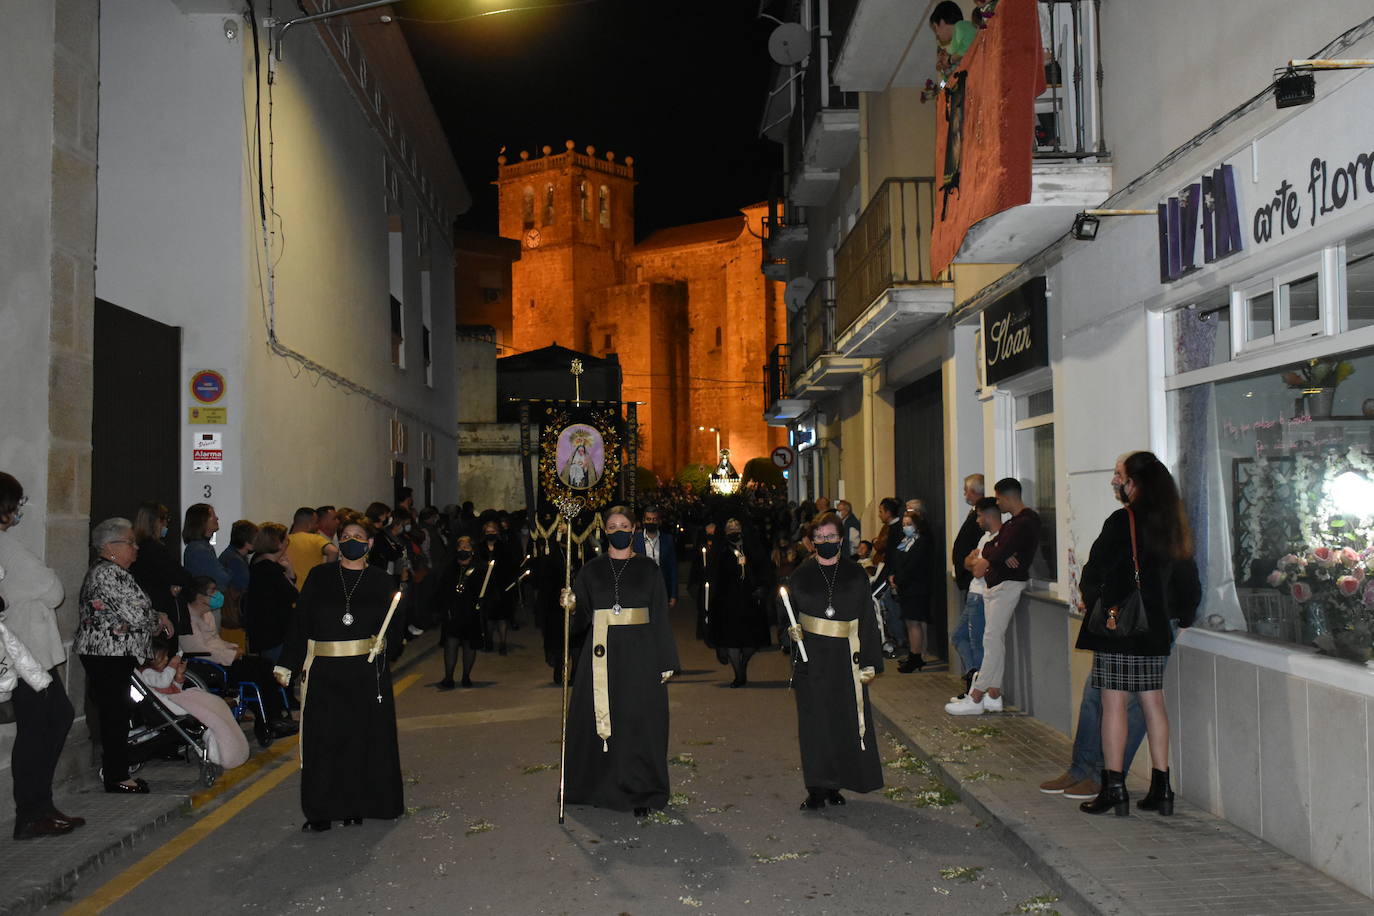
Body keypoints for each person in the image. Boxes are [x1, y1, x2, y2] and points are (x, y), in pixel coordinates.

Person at [1076, 453, 1200, 817]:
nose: (1117, 482)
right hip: (1157, 628)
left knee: (1113, 705)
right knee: (1153, 703)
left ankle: (1114, 788)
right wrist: (1183, 616)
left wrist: (1096, 604)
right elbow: (1188, 581)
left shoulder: (1122, 520)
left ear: (1135, 483)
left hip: (1122, 627)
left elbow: (1095, 572)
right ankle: (1162, 788)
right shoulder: (1173, 522)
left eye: (1121, 476)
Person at [275, 512, 406, 831]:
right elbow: (301, 621)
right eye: (345, 536)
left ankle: (356, 805)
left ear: (370, 543)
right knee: (324, 740)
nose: (351, 541)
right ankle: (321, 810)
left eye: (358, 537)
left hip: (365, 673)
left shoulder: (381, 580)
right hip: (325, 673)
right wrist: (288, 663)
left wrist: (386, 644)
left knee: (360, 740)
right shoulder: (320, 577)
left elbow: (395, 623)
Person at [563, 505, 679, 817]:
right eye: (612, 526)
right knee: (602, 718)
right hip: (600, 654)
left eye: (624, 526)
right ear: (605, 531)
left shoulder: (648, 569)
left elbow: (660, 615)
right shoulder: (590, 571)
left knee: (637, 721)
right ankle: (598, 786)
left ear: (634, 529)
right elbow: (580, 621)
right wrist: (570, 607)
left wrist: (666, 659)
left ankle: (641, 790)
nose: (618, 531)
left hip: (640, 654)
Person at [0, 472, 83, 838]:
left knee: (53, 718)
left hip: (27, 654)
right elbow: (53, 590)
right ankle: (31, 812)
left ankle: (39, 806)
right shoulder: (7, 547)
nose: (19, 511)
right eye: (16, 503)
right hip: (25, 655)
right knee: (38, 728)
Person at [785, 512, 883, 810]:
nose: (825, 541)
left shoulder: (855, 574)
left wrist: (870, 662)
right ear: (811, 541)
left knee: (843, 722)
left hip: (846, 659)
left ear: (840, 539)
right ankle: (816, 787)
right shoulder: (801, 575)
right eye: (819, 537)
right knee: (815, 725)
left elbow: (867, 619)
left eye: (830, 536)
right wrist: (791, 633)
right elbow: (788, 611)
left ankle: (835, 784)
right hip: (812, 658)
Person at [76, 517, 175, 794]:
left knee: (118, 713)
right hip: (108, 654)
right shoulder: (109, 573)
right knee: (115, 715)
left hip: (112, 653)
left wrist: (156, 616)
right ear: (110, 546)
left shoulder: (113, 571)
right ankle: (117, 776)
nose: (136, 548)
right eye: (130, 542)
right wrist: (159, 620)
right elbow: (137, 615)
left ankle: (118, 772)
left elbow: (134, 608)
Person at [946, 478, 1041, 716]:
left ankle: (977, 695)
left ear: (1008, 497)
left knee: (990, 640)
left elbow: (996, 550)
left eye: (998, 499)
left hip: (1006, 586)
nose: (997, 504)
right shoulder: (1012, 524)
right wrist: (998, 553)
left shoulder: (1025, 522)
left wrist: (998, 553)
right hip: (997, 585)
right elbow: (992, 548)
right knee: (994, 641)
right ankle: (994, 695)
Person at [179, 576, 298, 743]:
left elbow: (215, 641)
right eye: (213, 591)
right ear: (200, 596)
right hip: (209, 666)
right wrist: (229, 655)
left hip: (222, 659)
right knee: (257, 673)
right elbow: (198, 651)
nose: (218, 594)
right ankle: (268, 721)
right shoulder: (187, 619)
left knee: (266, 665)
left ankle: (274, 717)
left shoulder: (208, 615)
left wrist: (232, 648)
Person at [136, 635, 249, 769]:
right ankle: (220, 749)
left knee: (214, 708)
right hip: (172, 706)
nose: (166, 659)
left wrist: (179, 676)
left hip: (175, 700)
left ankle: (221, 745)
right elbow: (163, 682)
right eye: (162, 657)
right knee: (210, 712)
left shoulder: (159, 672)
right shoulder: (147, 673)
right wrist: (172, 666)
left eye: (166, 656)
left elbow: (173, 688)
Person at [707, 517, 773, 687]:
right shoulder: (721, 550)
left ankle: (743, 665)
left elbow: (764, 568)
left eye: (736, 526)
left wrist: (762, 587)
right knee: (732, 640)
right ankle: (739, 675)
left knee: (751, 642)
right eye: (730, 527)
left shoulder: (752, 547)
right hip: (727, 602)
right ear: (724, 531)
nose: (733, 529)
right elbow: (713, 576)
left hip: (750, 599)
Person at [950, 497, 1000, 699]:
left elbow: (978, 570)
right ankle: (973, 673)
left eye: (979, 516)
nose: (977, 520)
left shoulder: (997, 539)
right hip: (973, 594)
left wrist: (973, 562)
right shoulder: (984, 538)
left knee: (977, 643)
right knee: (958, 637)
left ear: (988, 516)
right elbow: (966, 562)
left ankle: (979, 689)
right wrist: (971, 562)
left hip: (980, 597)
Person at [129, 501, 195, 636]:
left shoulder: (140, 547)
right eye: (165, 520)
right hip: (161, 610)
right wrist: (173, 585)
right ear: (155, 522)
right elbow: (181, 576)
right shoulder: (154, 549)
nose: (166, 525)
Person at [431, 535, 483, 689]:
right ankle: (449, 678)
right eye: (460, 547)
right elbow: (441, 589)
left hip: (471, 612)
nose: (462, 549)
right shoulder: (450, 567)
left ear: (472, 550)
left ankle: (466, 677)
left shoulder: (479, 569)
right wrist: (439, 608)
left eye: (466, 547)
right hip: (452, 612)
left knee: (469, 645)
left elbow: (485, 590)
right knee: (451, 644)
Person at [242, 522, 298, 662]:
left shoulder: (258, 563)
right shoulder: (270, 570)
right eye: (286, 540)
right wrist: (290, 571)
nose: (287, 544)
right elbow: (292, 595)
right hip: (274, 634)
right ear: (278, 543)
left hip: (265, 633)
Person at [889, 508, 933, 673]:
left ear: (917, 525)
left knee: (914, 623)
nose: (906, 527)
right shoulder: (905, 541)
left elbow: (913, 565)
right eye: (904, 524)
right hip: (905, 587)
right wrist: (893, 576)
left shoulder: (922, 542)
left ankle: (916, 657)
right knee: (909, 622)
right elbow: (897, 560)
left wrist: (899, 580)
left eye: (909, 524)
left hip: (916, 587)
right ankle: (912, 654)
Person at [478, 518, 517, 654]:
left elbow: (510, 565)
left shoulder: (504, 547)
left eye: (493, 531)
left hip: (501, 587)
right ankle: (488, 641)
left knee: (502, 617)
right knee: (488, 617)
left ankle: (503, 643)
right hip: (485, 588)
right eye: (488, 531)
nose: (490, 534)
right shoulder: (480, 547)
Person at [872, 497, 905, 656]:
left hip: (891, 573)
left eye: (881, 511)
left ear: (888, 512)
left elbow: (895, 556)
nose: (879, 515)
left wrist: (891, 575)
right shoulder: (891, 528)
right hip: (888, 571)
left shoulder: (897, 529)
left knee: (885, 602)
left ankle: (897, 638)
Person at [182, 504, 229, 611]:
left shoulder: (203, 547)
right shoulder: (199, 549)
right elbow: (222, 579)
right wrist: (228, 571)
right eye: (212, 515)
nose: (217, 518)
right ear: (202, 521)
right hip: (205, 606)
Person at [632, 506, 677, 607]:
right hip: (641, 587)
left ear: (659, 521)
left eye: (654, 519)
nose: (651, 522)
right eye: (648, 519)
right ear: (644, 521)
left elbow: (672, 568)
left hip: (661, 587)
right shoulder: (635, 540)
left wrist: (673, 594)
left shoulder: (667, 539)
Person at [218, 519, 257, 632]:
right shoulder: (235, 561)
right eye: (256, 539)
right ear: (247, 543)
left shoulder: (230, 555)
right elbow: (247, 588)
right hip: (234, 615)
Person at [950, 474, 985, 601]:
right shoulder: (974, 513)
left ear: (974, 491)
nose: (965, 494)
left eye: (966, 490)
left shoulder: (981, 515)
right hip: (968, 576)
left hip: (974, 577)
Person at [286, 507, 337, 587]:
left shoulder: (284, 541)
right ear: (309, 524)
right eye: (316, 523)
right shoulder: (315, 539)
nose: (317, 526)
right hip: (311, 590)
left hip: (290, 591)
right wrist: (327, 578)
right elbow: (333, 551)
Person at [930, 0, 977, 74]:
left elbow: (970, 40)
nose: (937, 34)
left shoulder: (960, 25)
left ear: (942, 22)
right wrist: (944, 66)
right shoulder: (953, 44)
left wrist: (951, 59)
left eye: (935, 28)